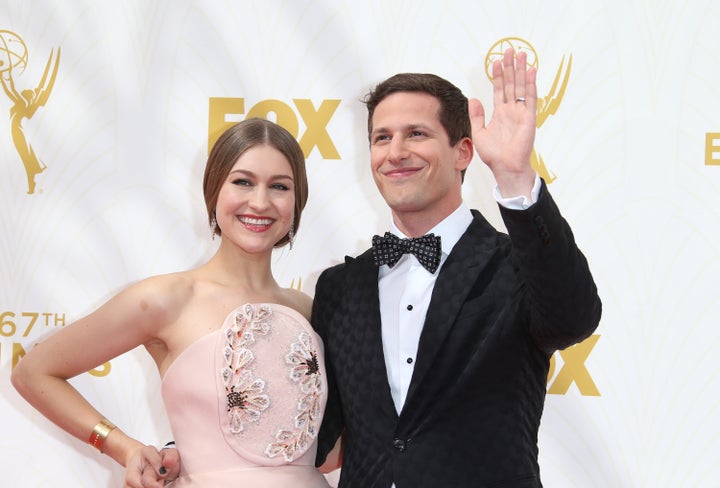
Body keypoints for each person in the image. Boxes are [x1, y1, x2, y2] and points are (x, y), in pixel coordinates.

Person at [136, 47, 601, 487]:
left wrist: (516, 178)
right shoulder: (342, 288)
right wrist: (195, 448)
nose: (395, 151)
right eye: (382, 137)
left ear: (463, 151)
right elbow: (312, 425)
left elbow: (573, 317)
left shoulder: (514, 266)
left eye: (416, 134)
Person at [11, 118, 334, 487]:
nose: (260, 202)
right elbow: (33, 373)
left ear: (298, 201)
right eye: (243, 181)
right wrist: (124, 447)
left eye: (279, 186)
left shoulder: (308, 310)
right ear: (214, 191)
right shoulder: (166, 300)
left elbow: (335, 446)